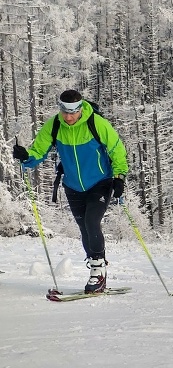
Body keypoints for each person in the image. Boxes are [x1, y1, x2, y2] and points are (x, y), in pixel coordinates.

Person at [13, 89, 128, 293]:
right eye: (65, 111)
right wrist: (26, 156)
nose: (69, 116)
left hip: (100, 181)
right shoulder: (55, 125)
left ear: (80, 108)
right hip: (73, 185)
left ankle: (98, 271)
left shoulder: (97, 124)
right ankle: (95, 266)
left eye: (73, 111)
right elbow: (38, 151)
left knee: (92, 221)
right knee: (84, 227)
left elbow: (116, 149)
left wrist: (119, 177)